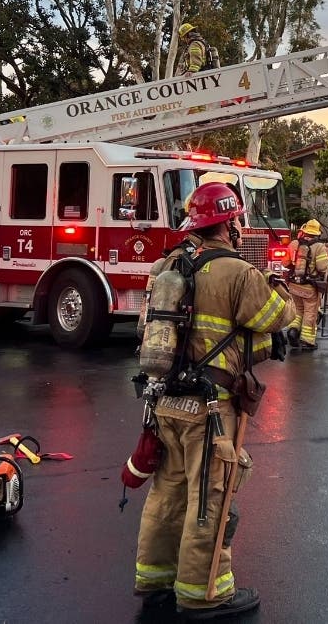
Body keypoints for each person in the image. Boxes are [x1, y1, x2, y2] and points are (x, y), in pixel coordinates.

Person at [133, 182, 296, 619]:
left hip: (164, 399)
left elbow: (145, 330)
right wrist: (277, 287)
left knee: (167, 493)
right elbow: (277, 317)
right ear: (228, 223)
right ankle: (203, 594)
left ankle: (154, 577)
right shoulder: (237, 271)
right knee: (209, 498)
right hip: (211, 408)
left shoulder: (167, 265)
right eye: (237, 219)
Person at [286, 219, 328, 350]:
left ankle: (293, 330)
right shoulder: (319, 246)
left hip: (294, 285)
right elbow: (322, 267)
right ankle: (307, 341)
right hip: (309, 287)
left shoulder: (294, 243)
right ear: (317, 233)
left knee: (298, 310)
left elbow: (285, 263)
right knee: (310, 313)